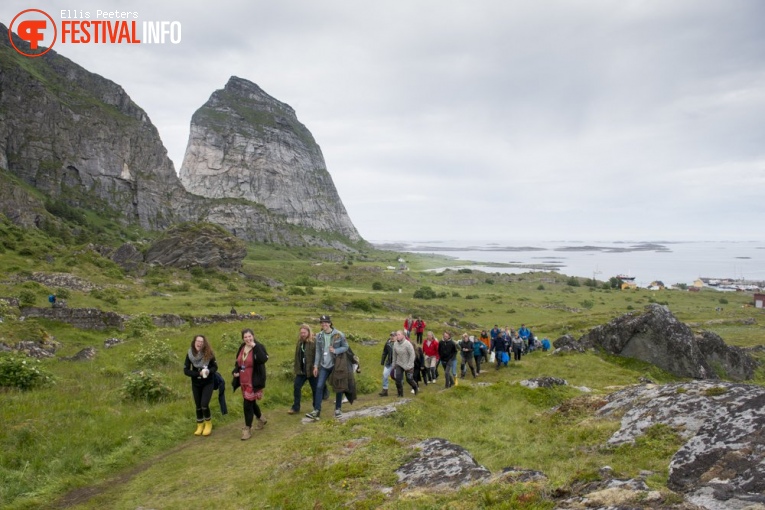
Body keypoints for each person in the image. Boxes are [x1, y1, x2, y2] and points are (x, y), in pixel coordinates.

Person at [306, 315, 349, 420]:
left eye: (325, 322)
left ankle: (338, 409)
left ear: (330, 323)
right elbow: (318, 352)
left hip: (336, 365)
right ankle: (316, 411)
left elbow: (346, 346)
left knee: (338, 387)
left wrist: (335, 351)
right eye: (322, 322)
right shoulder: (319, 336)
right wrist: (316, 366)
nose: (323, 324)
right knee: (319, 386)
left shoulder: (339, 335)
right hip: (324, 365)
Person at [232, 328, 268, 440]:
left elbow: (263, 359)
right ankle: (261, 418)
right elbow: (238, 362)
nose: (247, 339)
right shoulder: (242, 347)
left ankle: (247, 429)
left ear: (253, 336)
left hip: (254, 381)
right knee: (251, 403)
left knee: (247, 404)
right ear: (243, 338)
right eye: (245, 337)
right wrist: (235, 371)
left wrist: (254, 346)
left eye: (249, 336)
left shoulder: (259, 346)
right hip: (243, 381)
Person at [184, 334, 218, 436]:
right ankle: (200, 424)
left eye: (202, 342)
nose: (199, 343)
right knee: (198, 405)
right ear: (194, 342)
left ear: (204, 344)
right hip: (196, 383)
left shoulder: (209, 353)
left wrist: (208, 371)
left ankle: (208, 423)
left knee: (204, 404)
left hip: (208, 382)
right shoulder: (190, 353)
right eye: (198, 341)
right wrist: (197, 374)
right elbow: (185, 370)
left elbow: (215, 367)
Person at [289, 324, 317, 415]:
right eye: (301, 333)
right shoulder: (299, 342)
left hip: (312, 371)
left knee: (315, 389)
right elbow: (297, 356)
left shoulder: (314, 341)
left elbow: (318, 356)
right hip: (301, 371)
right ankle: (295, 407)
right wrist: (296, 368)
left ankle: (316, 408)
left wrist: (317, 367)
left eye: (304, 332)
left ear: (308, 332)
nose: (303, 334)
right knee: (296, 387)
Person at [392, 330, 418, 396]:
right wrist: (393, 364)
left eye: (399, 334)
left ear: (403, 335)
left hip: (408, 364)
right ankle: (400, 394)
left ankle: (415, 388)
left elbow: (412, 355)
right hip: (399, 363)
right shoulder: (395, 344)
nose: (397, 336)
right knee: (398, 379)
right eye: (396, 335)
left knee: (409, 379)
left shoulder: (407, 344)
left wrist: (409, 365)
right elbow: (394, 355)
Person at [378, 332, 396, 397]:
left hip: (397, 363)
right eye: (391, 335)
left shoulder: (399, 343)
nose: (392, 337)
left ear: (396, 336)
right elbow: (384, 352)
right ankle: (385, 390)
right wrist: (382, 361)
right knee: (385, 374)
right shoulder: (387, 343)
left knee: (397, 377)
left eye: (393, 336)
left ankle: (399, 389)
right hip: (389, 362)